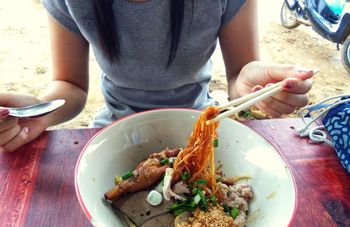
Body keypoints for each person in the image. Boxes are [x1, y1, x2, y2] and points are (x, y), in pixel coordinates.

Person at [0, 0, 314, 152]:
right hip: (113, 131)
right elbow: (71, 85)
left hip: (200, 128)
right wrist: (40, 108)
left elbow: (239, 78)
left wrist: (251, 90)